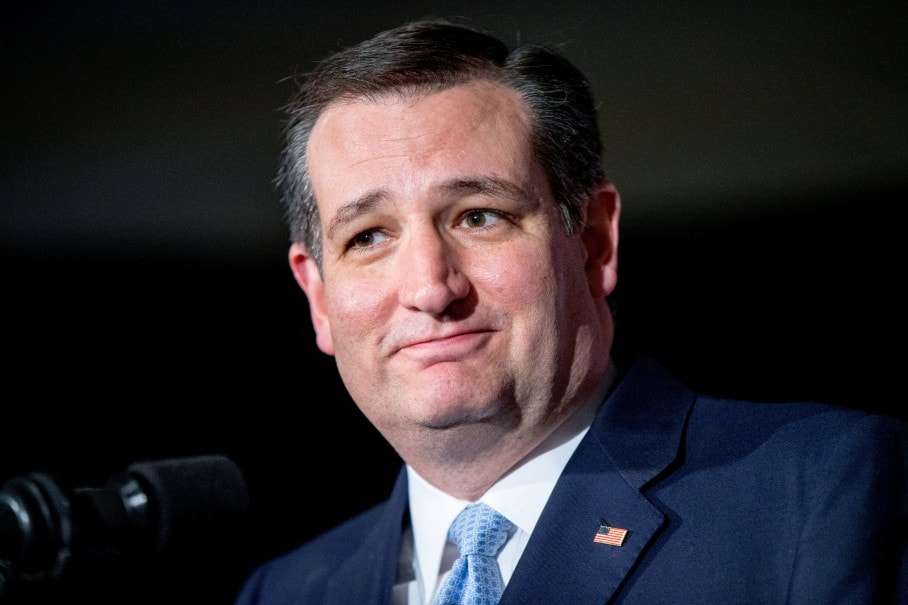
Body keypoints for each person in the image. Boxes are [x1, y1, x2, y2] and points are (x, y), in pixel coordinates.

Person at [236, 20, 906, 605]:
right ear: (319, 298)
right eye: (369, 237)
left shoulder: (815, 493)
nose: (431, 288)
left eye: (478, 216)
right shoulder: (284, 590)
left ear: (593, 243)